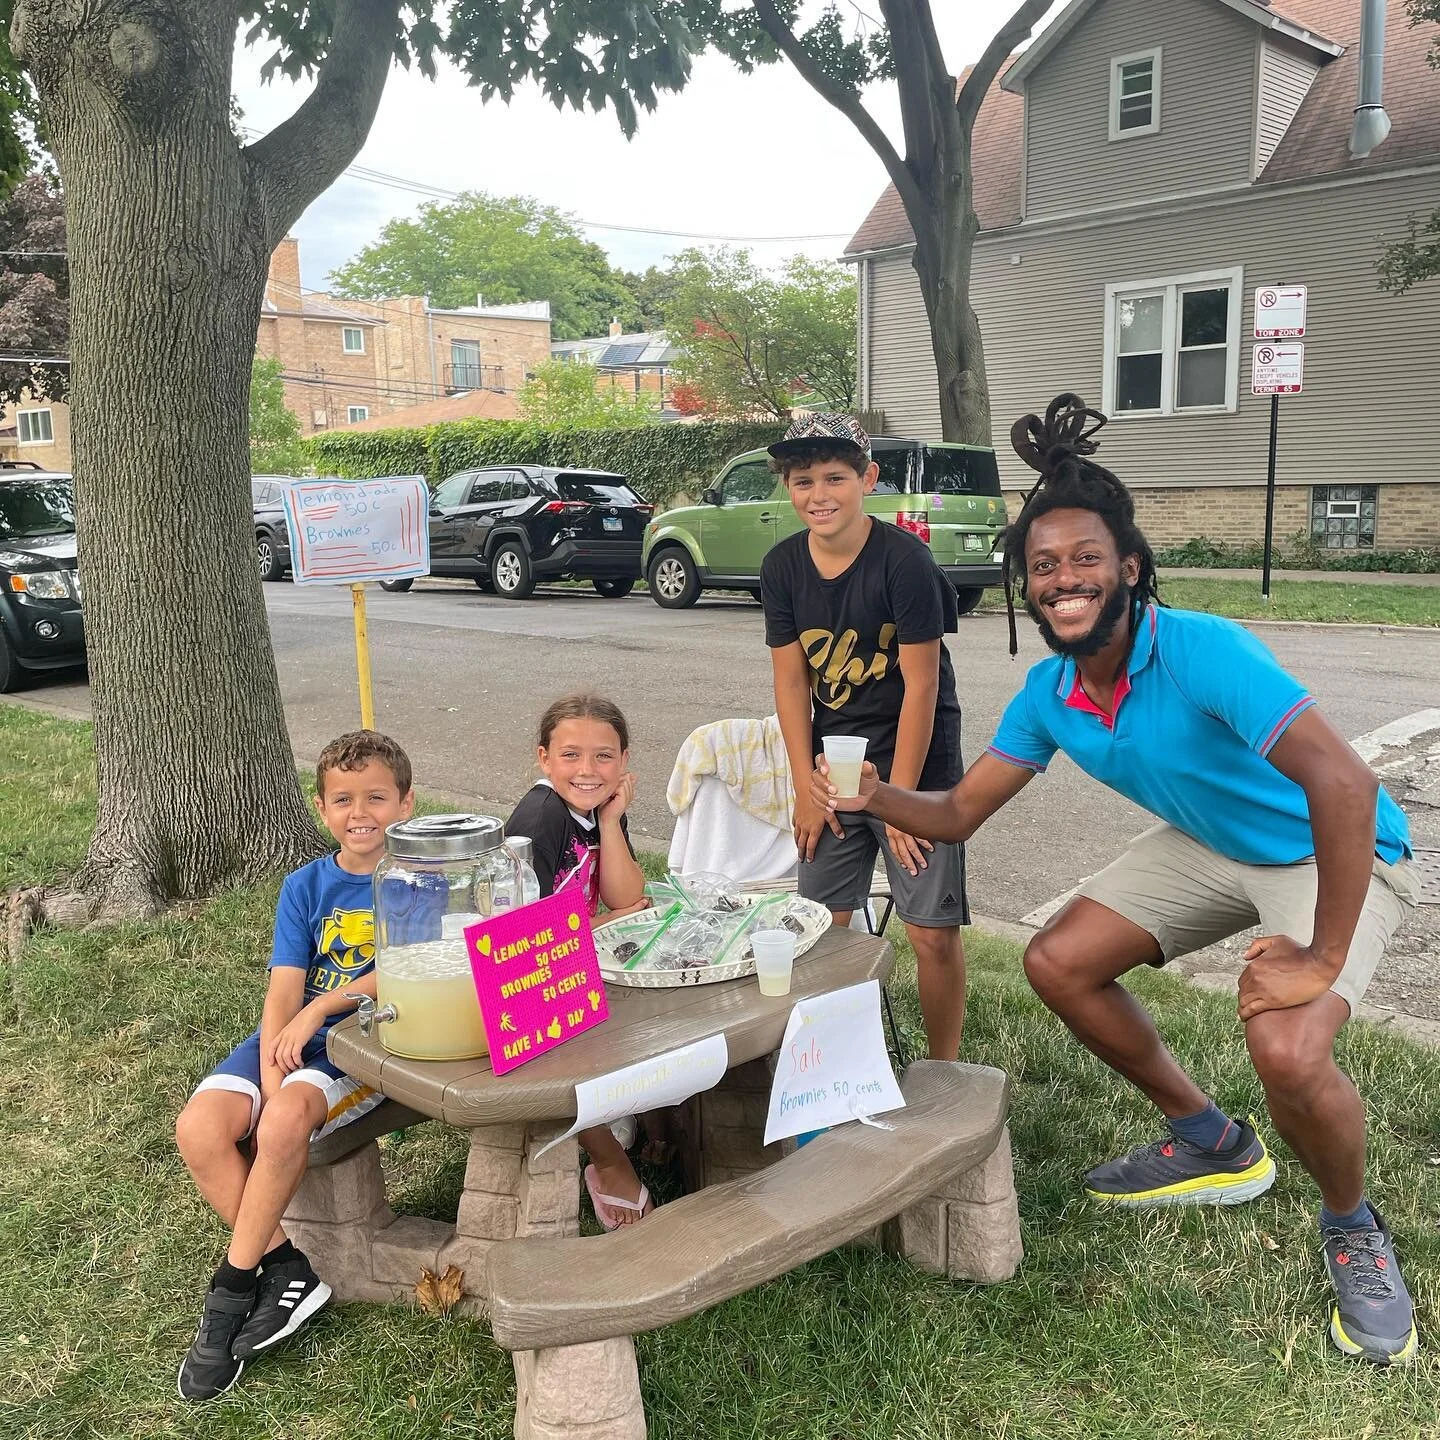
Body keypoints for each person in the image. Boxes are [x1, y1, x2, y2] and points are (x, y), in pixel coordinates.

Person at [813, 393, 1420, 1365]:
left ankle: (1352, 1224)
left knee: (1291, 1050)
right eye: (1043, 566)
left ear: (1129, 568)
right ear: (1025, 585)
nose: (1064, 579)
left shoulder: (1200, 649)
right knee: (1057, 962)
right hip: (1212, 842)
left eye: (1085, 558)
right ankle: (1210, 1139)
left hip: (1333, 847)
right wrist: (878, 793)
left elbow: (1344, 786)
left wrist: (1320, 954)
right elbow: (960, 812)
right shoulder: (1050, 693)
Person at [173, 731, 416, 1400]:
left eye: (376, 797)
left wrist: (322, 1009)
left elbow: (406, 969)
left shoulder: (415, 880)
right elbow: (283, 989)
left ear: (406, 803)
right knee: (200, 1129)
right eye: (343, 799)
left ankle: (230, 1291)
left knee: (282, 1122)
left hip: (362, 1041)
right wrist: (274, 1058)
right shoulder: (305, 885)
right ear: (321, 807)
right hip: (287, 1038)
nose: (360, 812)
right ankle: (286, 1267)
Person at [761, 413, 969, 1060]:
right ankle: (832, 1061)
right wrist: (804, 785)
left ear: (868, 478)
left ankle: (944, 1065)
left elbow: (923, 687)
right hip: (836, 769)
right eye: (803, 481)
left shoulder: (905, 562)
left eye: (835, 478)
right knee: (823, 927)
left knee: (930, 931)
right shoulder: (782, 567)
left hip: (917, 765)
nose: (818, 495)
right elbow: (791, 682)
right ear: (788, 489)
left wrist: (900, 801)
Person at [507, 694, 653, 1228]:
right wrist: (607, 924)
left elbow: (625, 894)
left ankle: (622, 1108)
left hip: (574, 959)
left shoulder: (596, 806)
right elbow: (521, 940)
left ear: (624, 760)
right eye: (570, 755)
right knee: (564, 1046)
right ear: (543, 758)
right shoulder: (541, 817)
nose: (588, 770)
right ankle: (608, 1161)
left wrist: (611, 823)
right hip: (524, 986)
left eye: (604, 756)